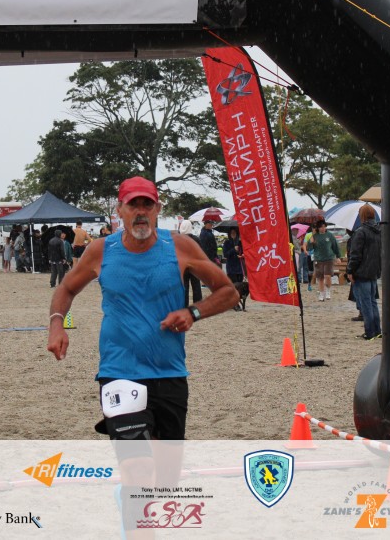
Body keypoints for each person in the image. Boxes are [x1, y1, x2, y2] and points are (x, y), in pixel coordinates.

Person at [46, 176, 237, 531]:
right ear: (119, 210)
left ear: (158, 209)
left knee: (165, 482)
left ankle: (134, 505)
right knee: (138, 470)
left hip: (170, 373)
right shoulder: (100, 251)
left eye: (147, 204)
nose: (140, 212)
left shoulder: (180, 247)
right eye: (132, 204)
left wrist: (193, 312)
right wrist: (57, 324)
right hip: (119, 373)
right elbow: (66, 289)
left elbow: (228, 292)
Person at [346, 204, 382, 340]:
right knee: (372, 302)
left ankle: (369, 332)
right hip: (374, 272)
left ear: (362, 215)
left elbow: (355, 254)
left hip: (362, 272)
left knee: (365, 303)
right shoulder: (379, 231)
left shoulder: (361, 232)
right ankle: (377, 330)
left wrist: (350, 270)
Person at [307, 220, 341, 301]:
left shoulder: (330, 235)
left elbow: (335, 246)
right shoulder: (315, 236)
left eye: (324, 226)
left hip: (329, 258)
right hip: (318, 259)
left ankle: (328, 291)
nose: (323, 228)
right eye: (321, 227)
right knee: (320, 278)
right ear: (318, 228)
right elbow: (309, 248)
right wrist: (311, 241)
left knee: (327, 276)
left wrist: (338, 256)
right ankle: (321, 294)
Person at [178, 220, 202, 306]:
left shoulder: (178, 240)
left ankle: (184, 305)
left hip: (183, 267)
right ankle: (198, 306)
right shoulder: (196, 239)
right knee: (196, 287)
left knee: (184, 288)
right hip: (194, 266)